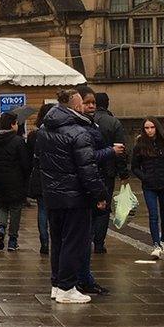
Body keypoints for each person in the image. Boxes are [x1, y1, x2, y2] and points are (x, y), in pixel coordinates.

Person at [37, 89, 107, 304]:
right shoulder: (78, 132)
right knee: (74, 241)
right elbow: (88, 168)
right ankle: (67, 287)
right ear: (76, 107)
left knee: (57, 240)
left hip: (52, 194)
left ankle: (58, 284)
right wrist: (99, 194)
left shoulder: (44, 130)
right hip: (74, 195)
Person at [77, 85, 123, 295]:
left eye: (93, 103)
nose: (91, 106)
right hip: (101, 174)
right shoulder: (108, 123)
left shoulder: (91, 123)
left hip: (88, 178)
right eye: (87, 102)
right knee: (101, 211)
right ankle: (99, 242)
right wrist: (121, 167)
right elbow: (90, 157)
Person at [131, 117, 164, 259]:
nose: (149, 130)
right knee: (153, 215)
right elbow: (134, 166)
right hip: (149, 185)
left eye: (152, 127)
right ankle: (155, 243)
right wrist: (144, 177)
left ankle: (163, 239)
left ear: (157, 128)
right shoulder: (140, 146)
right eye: (147, 128)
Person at [91, 92, 129, 253]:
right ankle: (99, 243)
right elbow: (120, 150)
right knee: (104, 207)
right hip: (108, 171)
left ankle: (88, 237)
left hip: (89, 169)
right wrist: (123, 173)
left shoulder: (88, 121)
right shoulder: (113, 122)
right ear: (107, 103)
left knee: (89, 205)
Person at [0, 111, 30, 252]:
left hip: (0, 179)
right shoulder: (18, 141)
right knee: (16, 209)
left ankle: (1, 228)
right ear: (12, 125)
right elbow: (25, 163)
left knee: (2, 207)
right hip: (16, 180)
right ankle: (12, 240)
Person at [27, 103, 54, 255]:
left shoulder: (33, 135)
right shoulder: (57, 133)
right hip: (54, 175)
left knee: (42, 210)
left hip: (38, 175)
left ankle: (44, 242)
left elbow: (30, 157)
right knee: (53, 210)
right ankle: (55, 239)